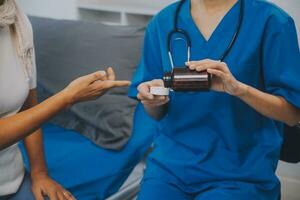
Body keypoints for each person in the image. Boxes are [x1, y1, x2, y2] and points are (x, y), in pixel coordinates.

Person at [129, 0, 300, 199]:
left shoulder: (272, 21)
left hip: (240, 171)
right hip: (169, 169)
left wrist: (239, 90)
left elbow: (292, 113)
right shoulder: (163, 22)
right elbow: (156, 114)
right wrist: (152, 100)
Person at [0, 0, 131, 199]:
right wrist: (66, 98)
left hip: (12, 180)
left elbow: (29, 106)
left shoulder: (16, 21)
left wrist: (40, 173)